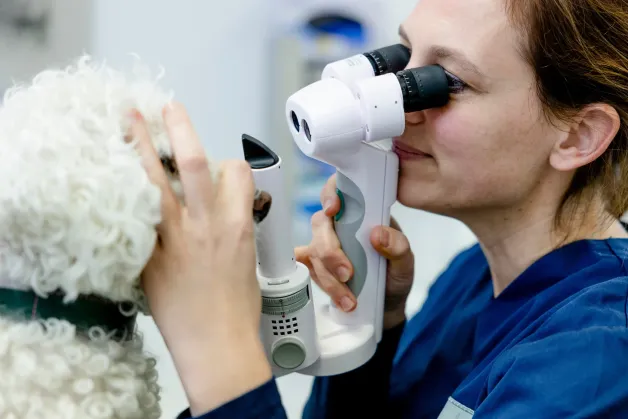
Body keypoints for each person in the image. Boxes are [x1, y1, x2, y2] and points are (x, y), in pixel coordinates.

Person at [132, 0, 628, 417]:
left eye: (445, 81)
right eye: (402, 58)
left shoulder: (598, 358)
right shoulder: (473, 275)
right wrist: (372, 329)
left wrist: (216, 345)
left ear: (578, 135)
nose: (395, 110)